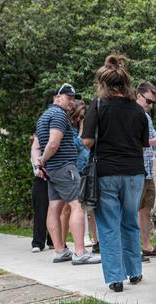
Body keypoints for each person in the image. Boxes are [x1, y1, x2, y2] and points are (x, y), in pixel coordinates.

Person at [82, 54, 149, 292]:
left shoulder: (97, 106)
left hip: (106, 172)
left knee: (108, 225)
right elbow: (143, 143)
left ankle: (115, 278)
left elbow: (88, 141)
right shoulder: (138, 110)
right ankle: (135, 271)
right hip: (134, 173)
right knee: (130, 222)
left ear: (103, 84)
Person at [31, 83, 101, 265]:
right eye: (67, 98)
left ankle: (60, 251)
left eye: (72, 98)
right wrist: (42, 160)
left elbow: (36, 146)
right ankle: (79, 252)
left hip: (52, 170)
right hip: (64, 167)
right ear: (57, 97)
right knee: (78, 206)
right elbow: (53, 143)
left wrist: (39, 166)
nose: (71, 101)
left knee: (54, 208)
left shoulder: (43, 116)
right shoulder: (59, 115)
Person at [58, 100, 100, 253]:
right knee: (68, 209)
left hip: (87, 169)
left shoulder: (86, 127)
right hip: (72, 171)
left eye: (84, 117)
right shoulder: (68, 128)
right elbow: (76, 145)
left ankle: (97, 242)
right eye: (81, 117)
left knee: (92, 207)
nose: (83, 120)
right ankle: (62, 245)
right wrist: (82, 130)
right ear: (74, 115)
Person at [135, 81, 156, 258]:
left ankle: (147, 246)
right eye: (148, 101)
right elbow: (131, 141)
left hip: (148, 170)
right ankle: (132, 248)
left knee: (146, 210)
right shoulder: (132, 113)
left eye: (153, 102)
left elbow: (154, 140)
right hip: (135, 170)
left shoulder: (146, 116)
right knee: (132, 210)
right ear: (139, 96)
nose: (150, 105)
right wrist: (154, 142)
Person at [30, 135, 53, 252]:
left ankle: (53, 240)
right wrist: (37, 168)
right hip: (41, 176)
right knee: (40, 209)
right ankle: (38, 242)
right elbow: (34, 152)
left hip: (56, 174)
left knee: (56, 209)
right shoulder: (39, 137)